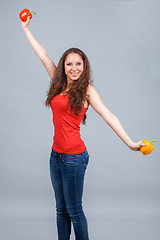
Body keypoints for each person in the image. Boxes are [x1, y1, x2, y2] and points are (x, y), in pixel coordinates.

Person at [21, 16, 146, 240]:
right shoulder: (58, 83)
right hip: (56, 157)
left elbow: (109, 115)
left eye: (78, 64)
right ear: (64, 66)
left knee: (74, 211)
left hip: (74, 158)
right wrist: (26, 29)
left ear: (84, 66)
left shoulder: (87, 91)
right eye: (69, 64)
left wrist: (130, 143)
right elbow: (43, 55)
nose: (74, 68)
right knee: (60, 210)